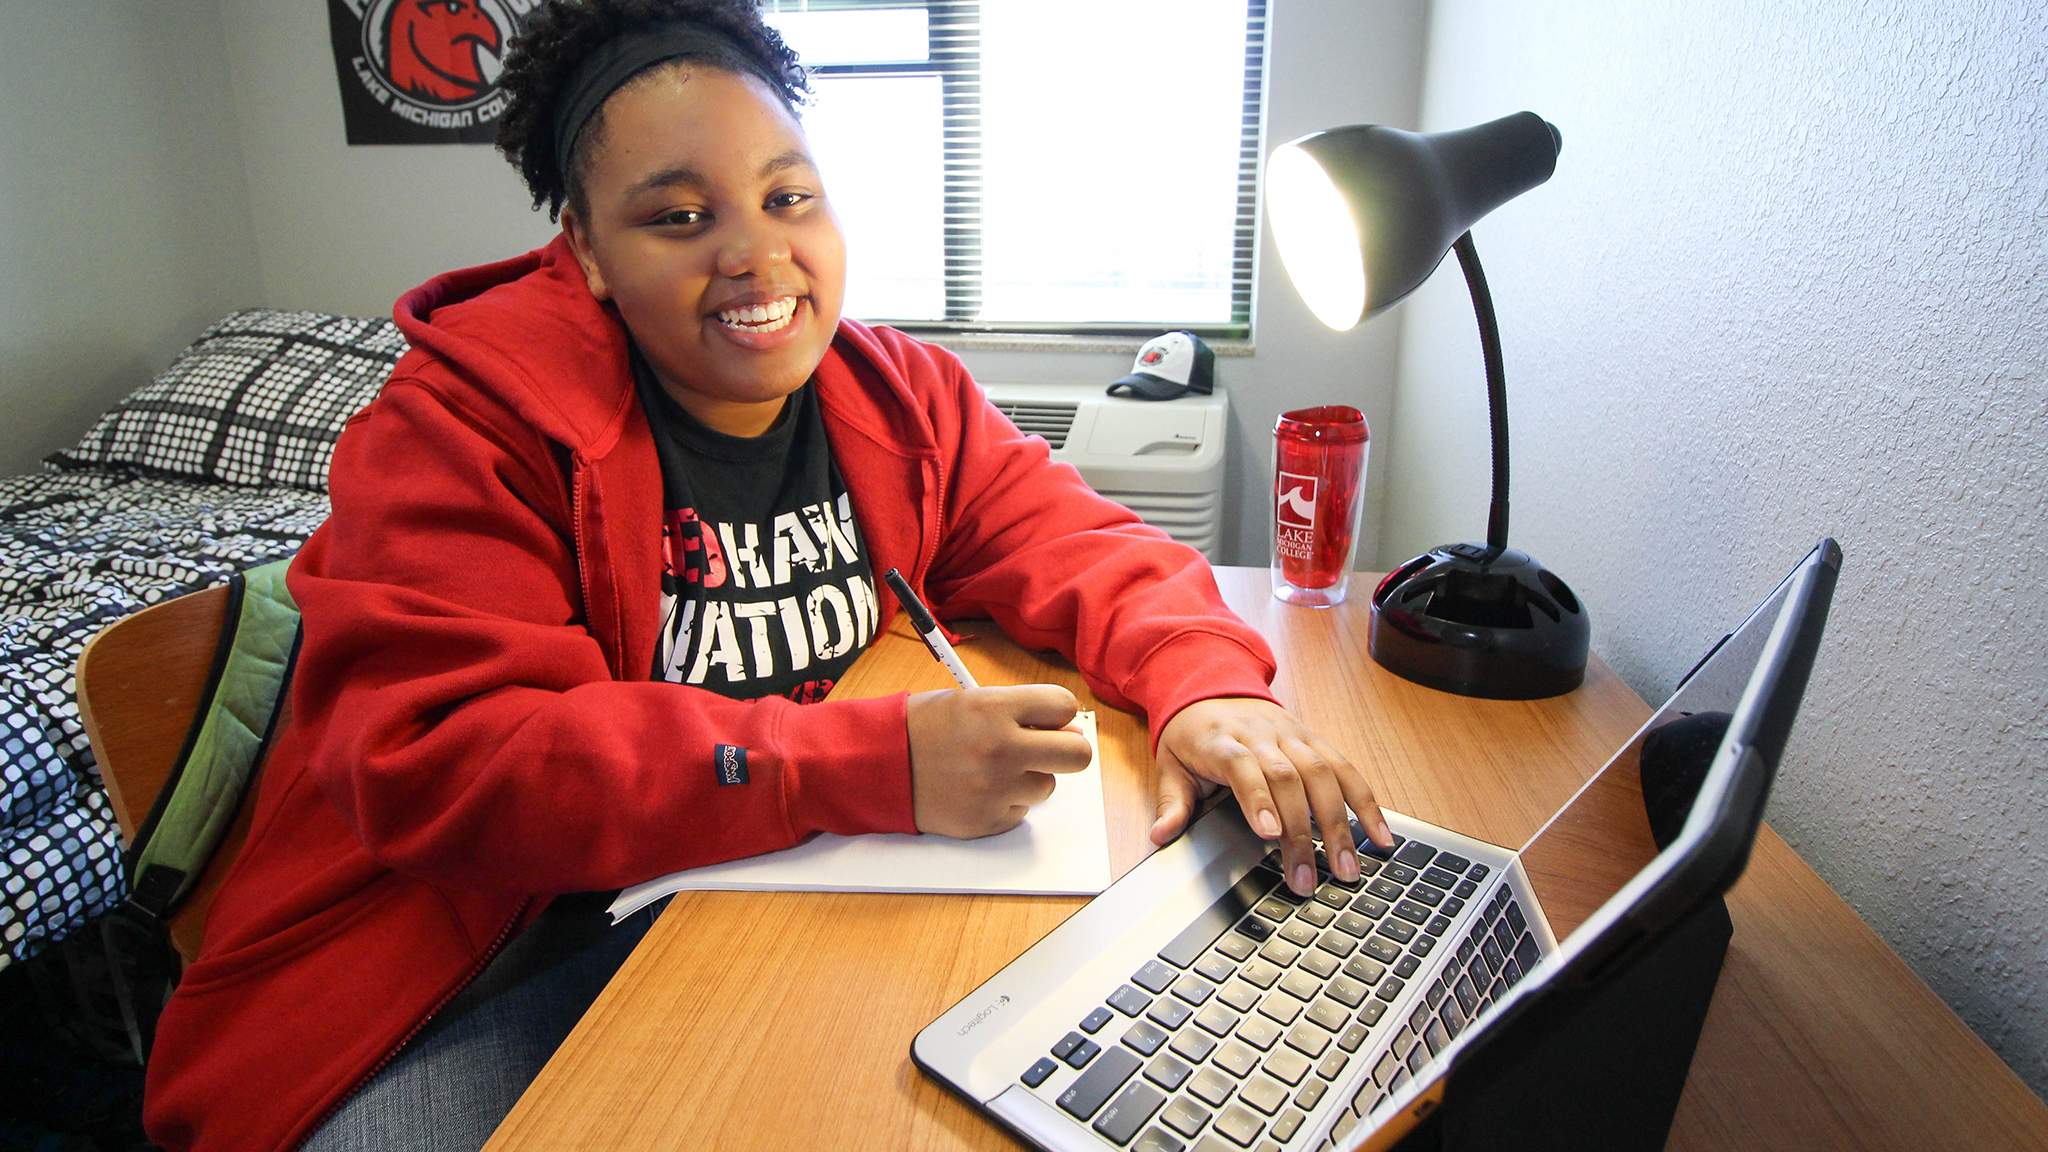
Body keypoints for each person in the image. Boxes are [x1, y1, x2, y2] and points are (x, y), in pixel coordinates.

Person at [143, 2, 1392, 1148]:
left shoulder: (898, 395)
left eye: (788, 197)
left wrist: (1203, 685)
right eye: (678, 217)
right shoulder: (458, 428)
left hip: (768, 893)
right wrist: (863, 763)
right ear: (582, 249)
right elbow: (452, 758)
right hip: (473, 960)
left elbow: (1081, 541)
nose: (755, 255)